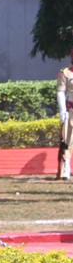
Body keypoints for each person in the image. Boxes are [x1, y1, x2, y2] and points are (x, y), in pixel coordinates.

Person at [58, 50, 73, 181]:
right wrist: (63, 110)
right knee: (68, 140)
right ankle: (67, 167)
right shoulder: (65, 73)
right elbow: (61, 92)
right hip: (71, 110)